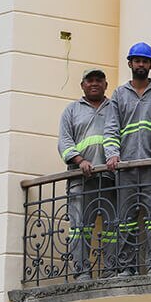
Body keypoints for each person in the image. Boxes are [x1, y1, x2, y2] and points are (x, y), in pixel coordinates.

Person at [104, 42, 151, 276]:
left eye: (145, 61)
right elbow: (111, 128)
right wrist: (113, 155)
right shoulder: (119, 94)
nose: (141, 64)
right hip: (126, 167)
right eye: (137, 60)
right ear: (130, 63)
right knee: (126, 219)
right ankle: (126, 266)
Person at [57, 67, 118, 281]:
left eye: (99, 80)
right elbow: (64, 142)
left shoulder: (114, 107)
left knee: (112, 226)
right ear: (82, 85)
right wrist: (80, 160)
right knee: (80, 227)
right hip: (80, 180)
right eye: (90, 80)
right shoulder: (71, 110)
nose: (94, 84)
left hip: (111, 178)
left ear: (105, 85)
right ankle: (82, 271)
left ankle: (110, 270)